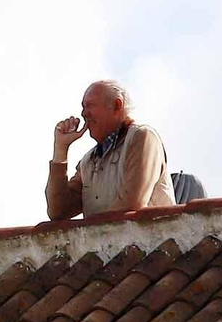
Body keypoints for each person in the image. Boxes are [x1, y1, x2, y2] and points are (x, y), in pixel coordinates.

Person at [46, 81, 175, 220]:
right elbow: (57, 212)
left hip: (151, 235)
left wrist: (91, 229)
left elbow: (132, 203)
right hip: (103, 235)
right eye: (83, 107)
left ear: (117, 105)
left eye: (90, 105)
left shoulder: (141, 138)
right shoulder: (88, 161)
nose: (84, 114)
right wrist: (60, 149)